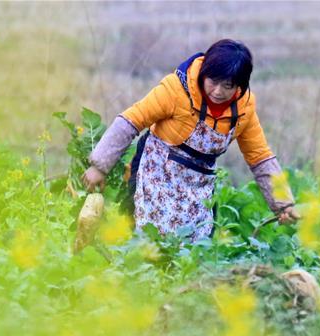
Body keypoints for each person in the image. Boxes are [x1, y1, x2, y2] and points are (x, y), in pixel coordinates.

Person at [81, 39, 299, 242]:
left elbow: (260, 157)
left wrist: (283, 204)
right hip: (156, 175)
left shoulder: (244, 109)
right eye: (213, 81)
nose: (218, 91)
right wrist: (99, 166)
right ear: (204, 73)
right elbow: (131, 121)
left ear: (239, 86)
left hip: (198, 188)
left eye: (228, 86)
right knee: (148, 244)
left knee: (193, 251)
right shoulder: (176, 90)